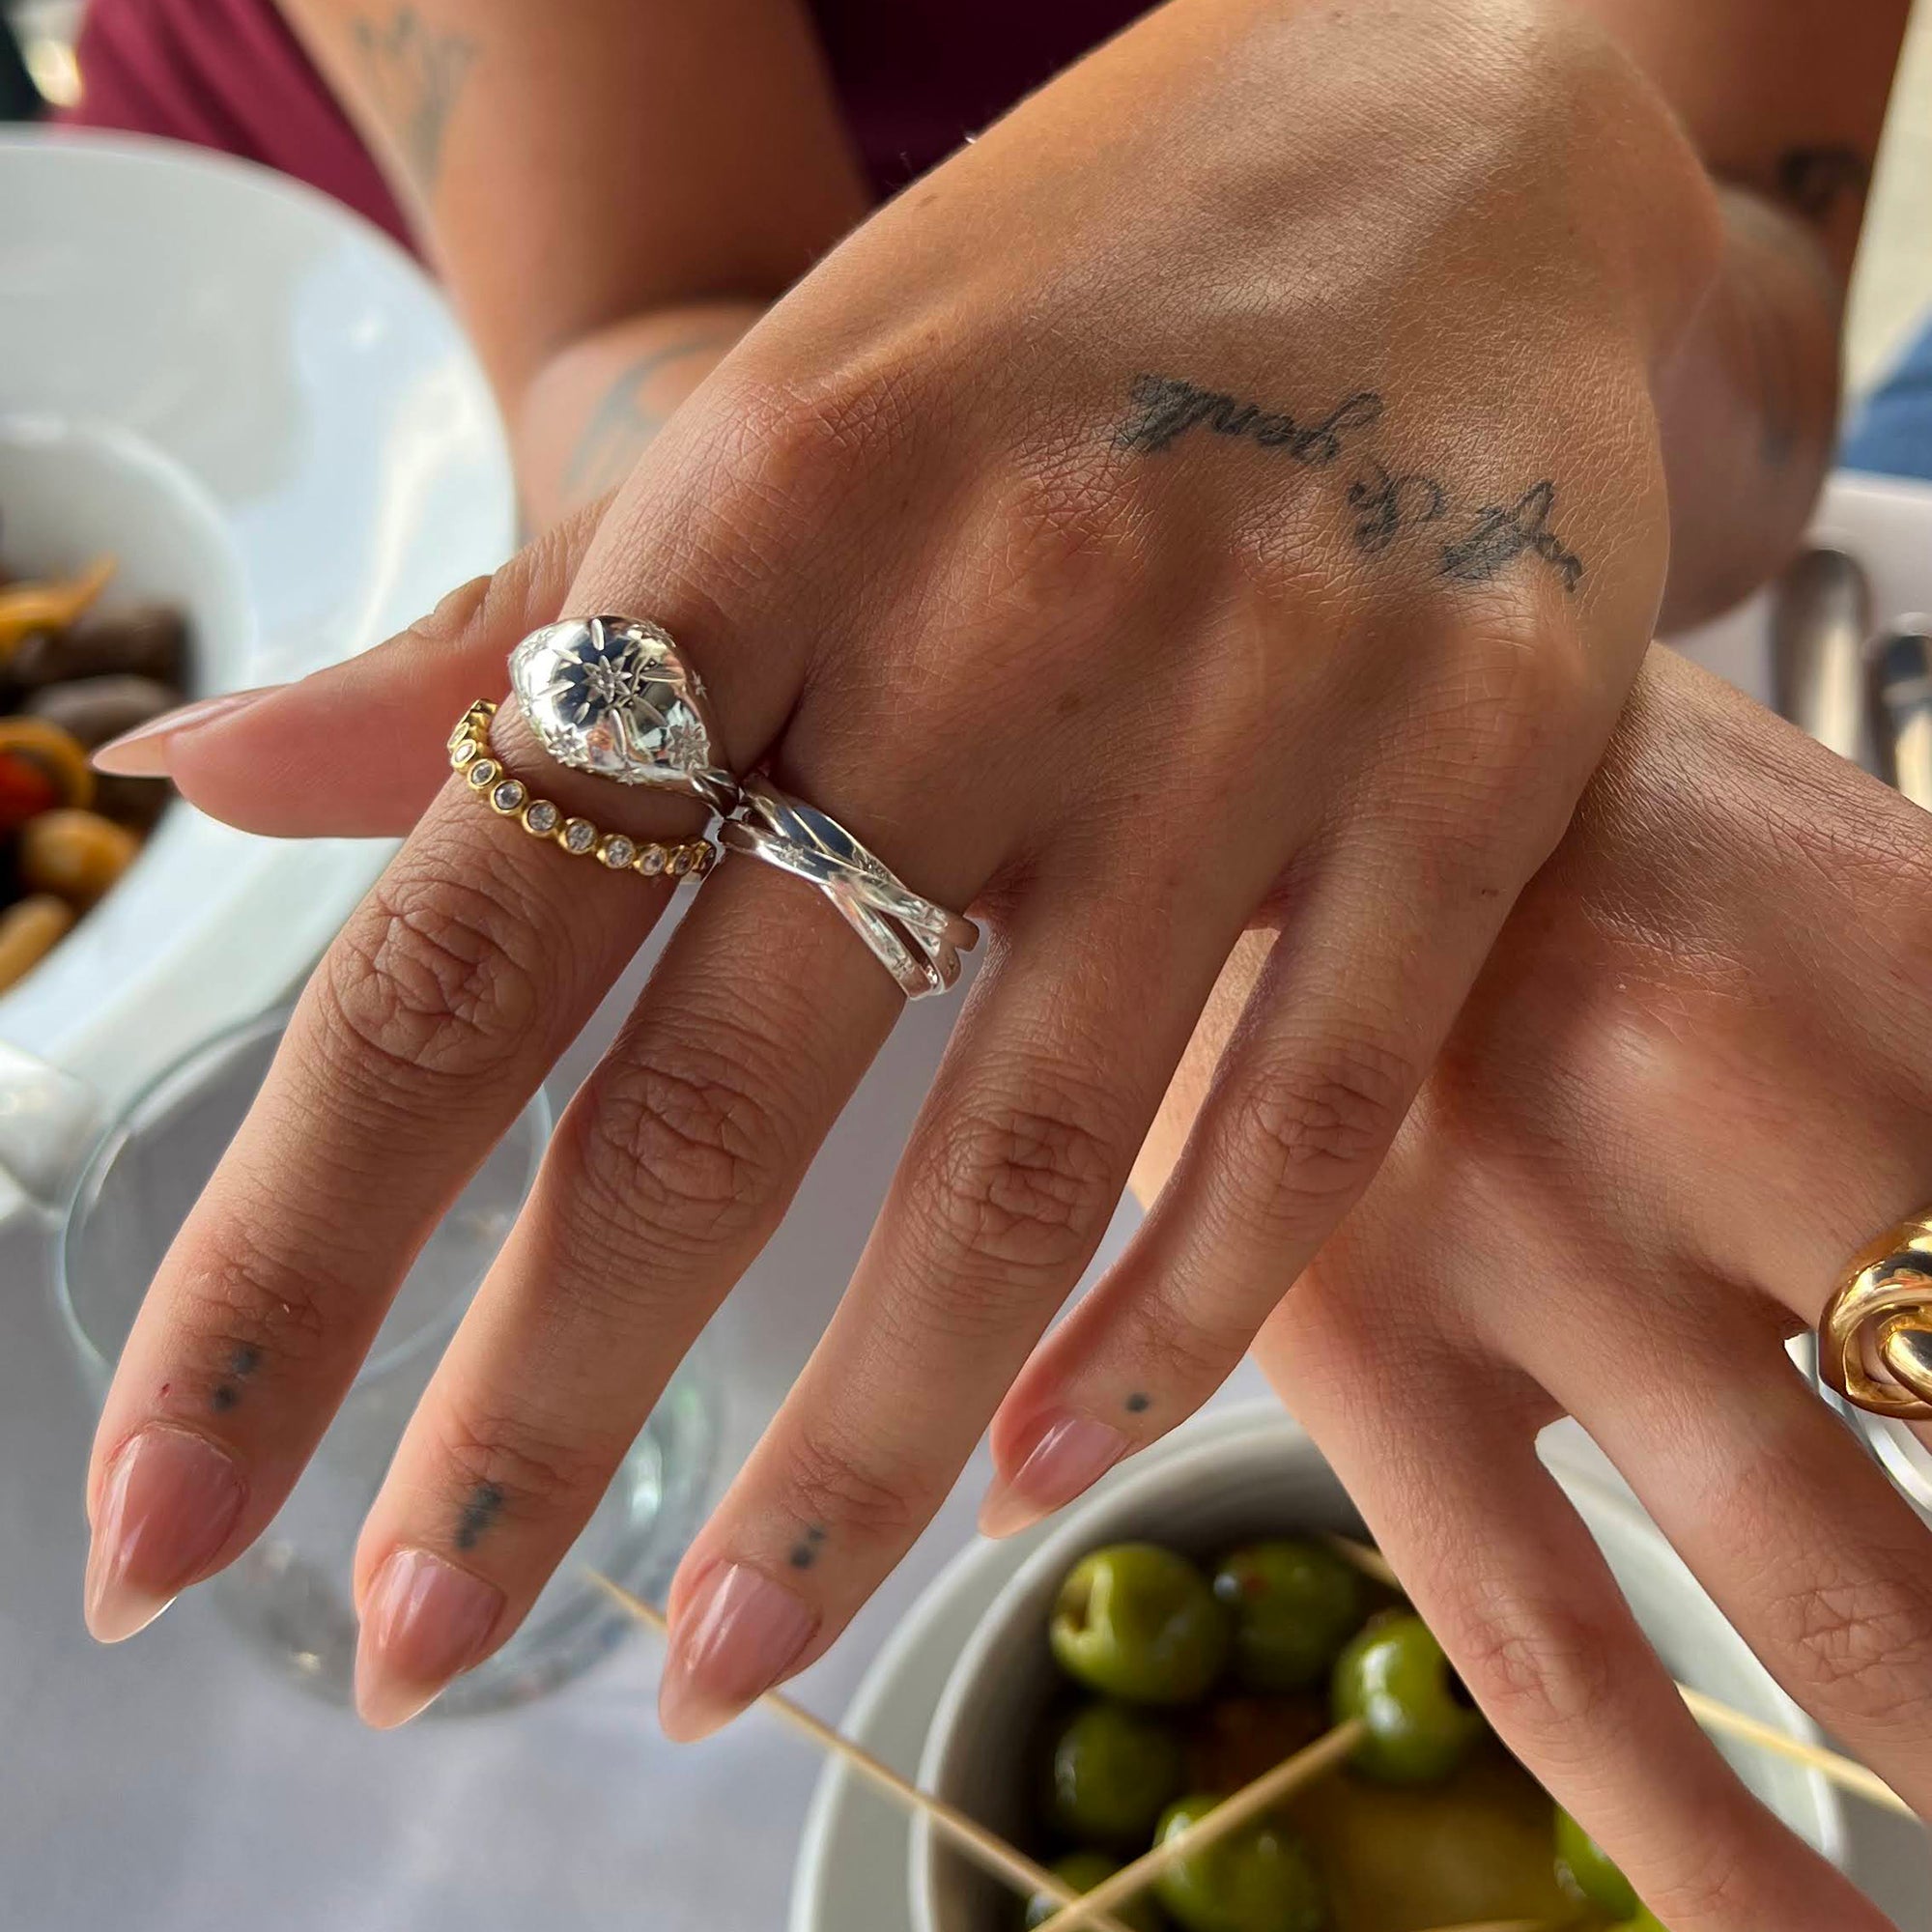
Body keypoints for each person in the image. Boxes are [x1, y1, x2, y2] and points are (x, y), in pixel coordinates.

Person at [66, 4, 1928, 1927]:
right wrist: (1235, 767)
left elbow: (1758, 317)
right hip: (356, 399)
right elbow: (640, 326)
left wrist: (1534, 154)